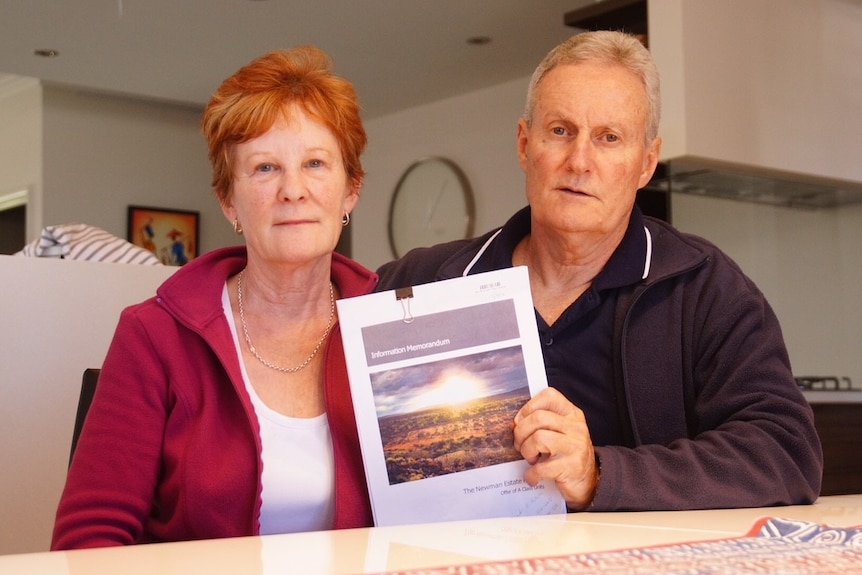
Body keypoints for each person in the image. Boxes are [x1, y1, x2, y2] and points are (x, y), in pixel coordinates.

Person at [376, 30, 822, 512]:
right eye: (561, 131)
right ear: (526, 145)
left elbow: (785, 453)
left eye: (609, 138)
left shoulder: (703, 287)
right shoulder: (422, 279)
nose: (579, 162)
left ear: (646, 163)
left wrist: (599, 474)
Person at [52, 46, 376, 549]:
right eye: (265, 168)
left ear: (350, 190)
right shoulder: (153, 336)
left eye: (315, 163)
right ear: (230, 201)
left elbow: (458, 508)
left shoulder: (398, 327)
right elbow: (89, 539)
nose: (293, 189)